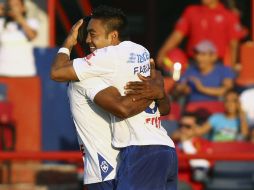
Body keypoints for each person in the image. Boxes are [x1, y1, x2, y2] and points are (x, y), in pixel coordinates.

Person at [50, 5, 177, 190]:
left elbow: (56, 72)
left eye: (93, 34)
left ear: (113, 36)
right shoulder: (141, 52)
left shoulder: (107, 57)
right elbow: (164, 108)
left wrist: (68, 43)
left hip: (136, 153)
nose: (86, 40)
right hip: (164, 149)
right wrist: (159, 91)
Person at [157, 0, 244, 71]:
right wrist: (163, 52)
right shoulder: (191, 11)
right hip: (193, 63)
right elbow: (177, 35)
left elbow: (234, 44)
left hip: (217, 65)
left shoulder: (229, 15)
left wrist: (232, 67)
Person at [0, 0, 38, 76]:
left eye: (16, 5)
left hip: (25, 72)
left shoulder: (31, 22)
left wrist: (18, 17)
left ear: (23, 8)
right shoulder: (1, 23)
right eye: (11, 5)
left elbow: (32, 35)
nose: (13, 8)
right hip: (3, 72)